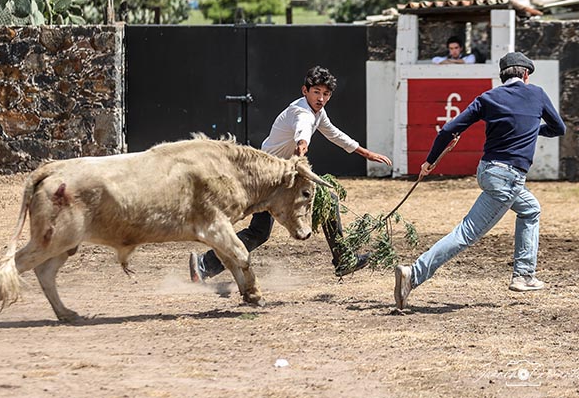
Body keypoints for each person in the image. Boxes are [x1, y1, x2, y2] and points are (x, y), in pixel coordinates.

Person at [394, 52, 566, 311]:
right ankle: (414, 274)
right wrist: (531, 129)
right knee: (466, 233)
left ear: (502, 76)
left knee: (530, 209)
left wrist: (430, 161)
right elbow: (558, 128)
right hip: (509, 177)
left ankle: (524, 274)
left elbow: (449, 129)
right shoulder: (537, 94)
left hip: (488, 171)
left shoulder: (488, 97)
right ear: (526, 75)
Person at [189, 65, 393, 283]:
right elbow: (302, 133)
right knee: (321, 203)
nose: (321, 98)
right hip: (268, 177)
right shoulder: (301, 112)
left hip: (273, 173)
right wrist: (301, 150)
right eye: (317, 92)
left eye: (326, 94)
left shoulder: (317, 112)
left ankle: (204, 266)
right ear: (305, 90)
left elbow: (334, 133)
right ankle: (343, 259)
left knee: (259, 232)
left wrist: (366, 153)